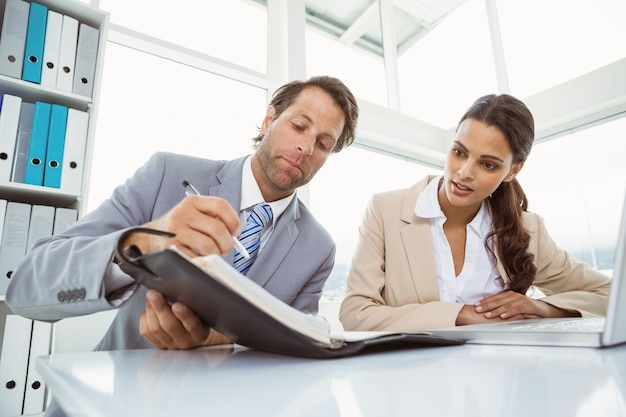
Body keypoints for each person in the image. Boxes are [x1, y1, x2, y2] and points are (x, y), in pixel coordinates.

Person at [7, 75, 359, 353]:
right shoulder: (166, 175)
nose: (306, 147)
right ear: (269, 119)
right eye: (299, 126)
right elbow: (26, 291)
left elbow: (299, 345)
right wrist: (141, 243)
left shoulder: (319, 248)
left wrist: (223, 340)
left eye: (324, 143)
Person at [339, 93, 611, 332]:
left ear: (513, 171)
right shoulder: (385, 211)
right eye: (459, 152)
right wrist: (460, 315)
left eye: (488, 165)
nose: (464, 172)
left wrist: (541, 308)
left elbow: (610, 292)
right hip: (412, 382)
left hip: (501, 381)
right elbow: (355, 313)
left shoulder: (529, 231)